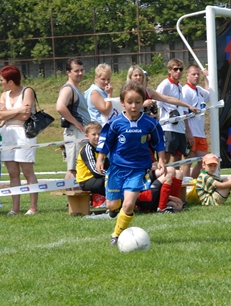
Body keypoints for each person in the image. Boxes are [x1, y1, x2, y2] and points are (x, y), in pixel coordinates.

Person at [95, 81, 166, 246]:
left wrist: (162, 160)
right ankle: (114, 208)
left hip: (138, 169)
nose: (134, 106)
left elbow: (159, 142)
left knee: (128, 204)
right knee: (112, 205)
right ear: (122, 103)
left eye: (138, 102)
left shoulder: (150, 123)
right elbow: (105, 141)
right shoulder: (115, 123)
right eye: (130, 102)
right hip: (117, 168)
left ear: (143, 102)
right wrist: (100, 158)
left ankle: (116, 235)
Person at [0, 65, 39, 215]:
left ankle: (33, 207)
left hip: (24, 133)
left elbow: (25, 116)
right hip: (8, 134)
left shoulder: (27, 91)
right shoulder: (4, 95)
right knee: (13, 172)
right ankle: (15, 208)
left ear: (11, 81)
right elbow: (1, 115)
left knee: (27, 171)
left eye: (2, 80)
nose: (0, 82)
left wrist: (9, 113)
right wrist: (18, 110)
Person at [56, 58, 90, 180]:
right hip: (75, 133)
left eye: (81, 70)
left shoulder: (76, 88)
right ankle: (72, 193)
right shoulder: (68, 89)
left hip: (80, 133)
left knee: (78, 168)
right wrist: (75, 122)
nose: (80, 73)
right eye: (76, 71)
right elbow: (60, 107)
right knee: (73, 170)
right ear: (68, 72)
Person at [156, 59, 193, 166]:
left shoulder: (180, 87)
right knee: (165, 159)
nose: (178, 72)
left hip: (180, 128)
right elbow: (157, 104)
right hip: (168, 127)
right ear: (169, 70)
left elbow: (183, 110)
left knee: (177, 160)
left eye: (180, 69)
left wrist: (187, 131)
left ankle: (174, 177)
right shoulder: (165, 84)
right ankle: (159, 176)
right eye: (175, 69)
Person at [182, 64, 210, 178]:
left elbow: (209, 94)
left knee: (203, 162)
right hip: (191, 133)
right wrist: (188, 133)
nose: (196, 76)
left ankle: (192, 183)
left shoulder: (199, 90)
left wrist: (206, 78)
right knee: (187, 161)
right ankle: (185, 185)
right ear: (187, 76)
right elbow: (183, 113)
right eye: (193, 74)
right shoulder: (185, 91)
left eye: (198, 74)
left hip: (200, 133)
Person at [77, 121, 108, 197]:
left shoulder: (102, 149)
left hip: (97, 178)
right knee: (111, 182)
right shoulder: (87, 150)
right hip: (86, 181)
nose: (97, 137)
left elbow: (108, 165)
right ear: (87, 136)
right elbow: (95, 171)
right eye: (94, 134)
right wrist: (111, 174)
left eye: (99, 134)